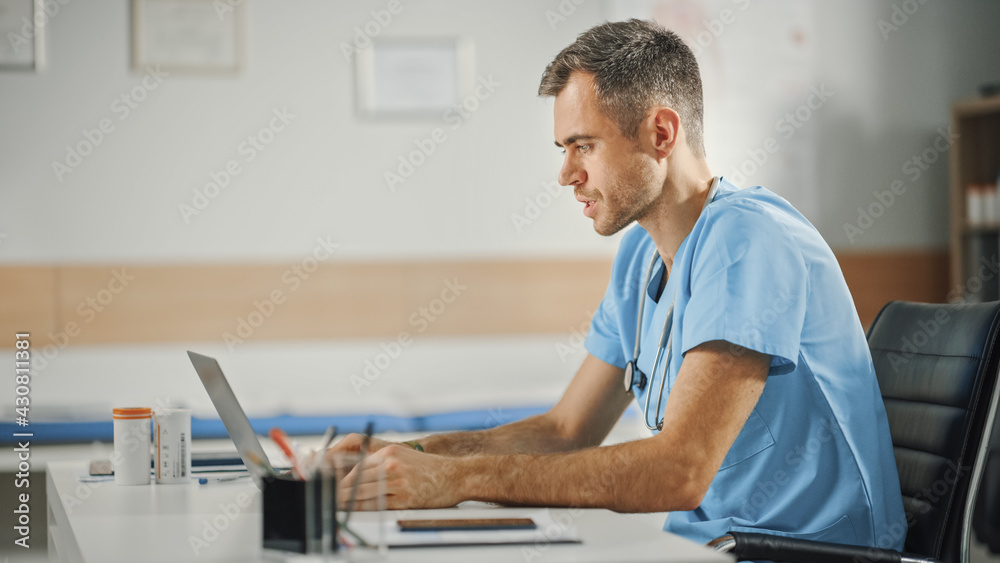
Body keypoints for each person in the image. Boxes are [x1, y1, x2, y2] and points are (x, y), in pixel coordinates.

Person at [331, 19, 906, 549]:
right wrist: (408, 455)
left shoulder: (747, 241)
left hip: (799, 552)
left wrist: (455, 480)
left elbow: (676, 471)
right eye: (563, 150)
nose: (565, 175)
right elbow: (565, 430)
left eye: (584, 145)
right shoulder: (641, 254)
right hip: (708, 544)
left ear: (661, 132)